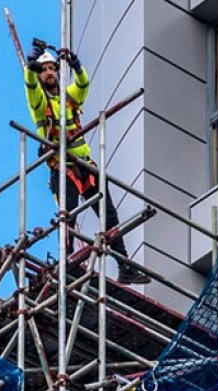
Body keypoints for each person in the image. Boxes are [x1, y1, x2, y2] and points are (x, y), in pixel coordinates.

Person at [24, 46, 149, 284]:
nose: (49, 72)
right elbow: (30, 87)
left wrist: (76, 65)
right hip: (63, 166)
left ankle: (124, 264)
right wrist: (31, 65)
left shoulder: (67, 98)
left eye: (52, 68)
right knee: (67, 216)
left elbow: (83, 84)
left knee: (109, 214)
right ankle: (68, 264)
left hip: (84, 164)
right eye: (45, 70)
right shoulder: (40, 103)